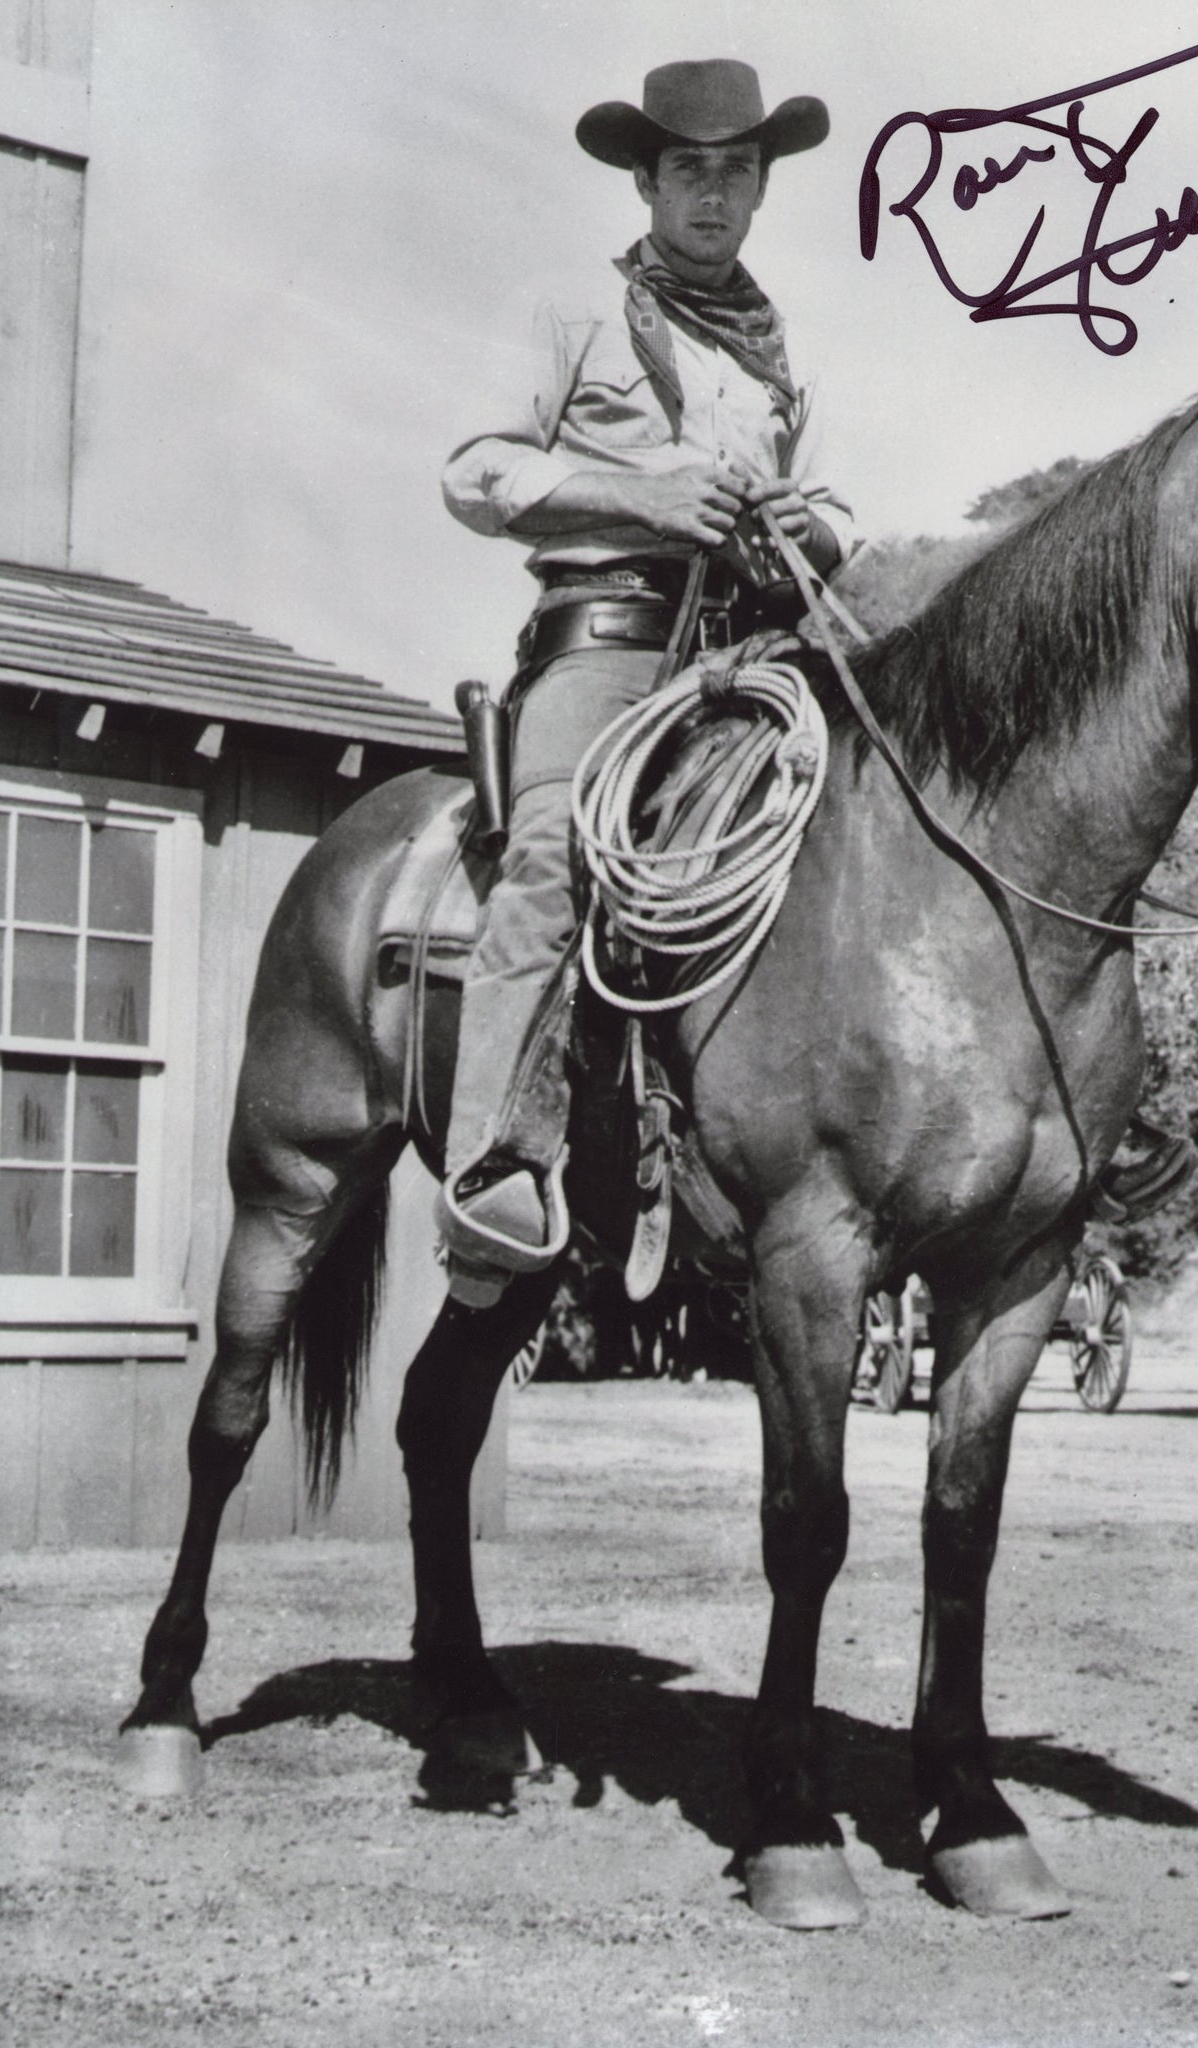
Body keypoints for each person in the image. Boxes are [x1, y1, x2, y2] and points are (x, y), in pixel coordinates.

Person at [435, 60, 859, 1305]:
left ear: (763, 185)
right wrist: (647, 493)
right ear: (645, 178)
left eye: (737, 171)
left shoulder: (784, 349)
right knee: (553, 855)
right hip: (610, 636)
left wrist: (801, 526)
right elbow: (473, 470)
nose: (714, 194)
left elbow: (839, 511)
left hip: (759, 646)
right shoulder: (570, 307)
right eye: (690, 170)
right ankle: (494, 1171)